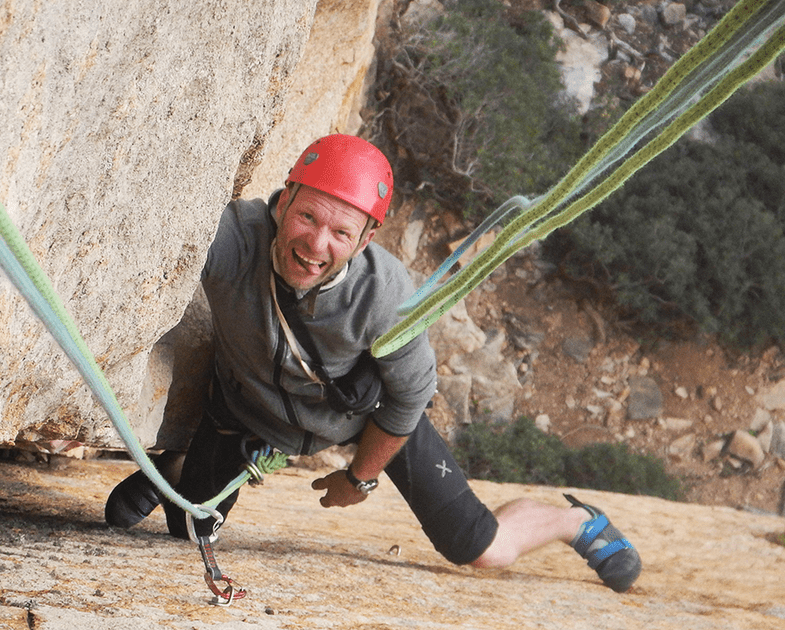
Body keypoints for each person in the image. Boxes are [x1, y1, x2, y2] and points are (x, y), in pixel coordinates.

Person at [105, 134, 641, 593]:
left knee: (480, 549)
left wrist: (359, 479)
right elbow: (157, 242)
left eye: (341, 233)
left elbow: (409, 395)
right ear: (282, 202)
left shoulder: (383, 296)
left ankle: (575, 522)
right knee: (191, 530)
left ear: (366, 239)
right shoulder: (237, 239)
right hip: (248, 411)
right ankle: (175, 469)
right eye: (308, 215)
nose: (316, 244)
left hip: (366, 418)